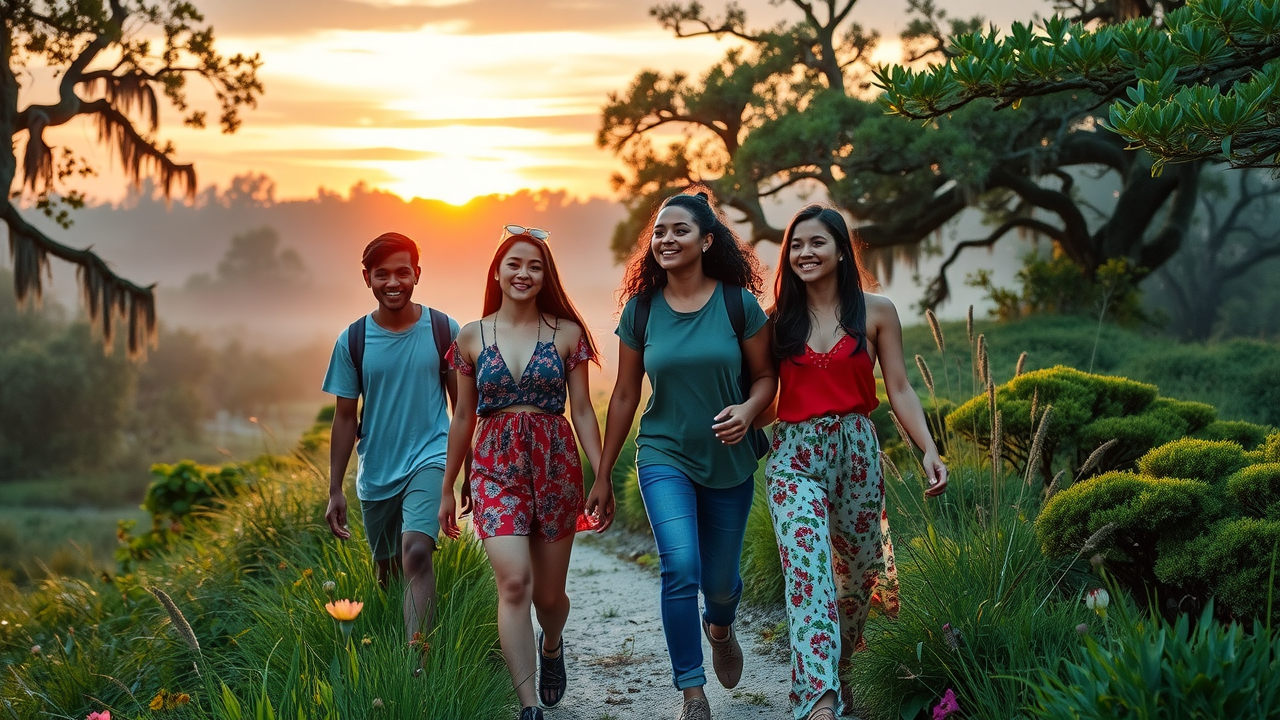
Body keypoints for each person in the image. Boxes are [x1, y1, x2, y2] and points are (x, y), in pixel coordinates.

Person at [595, 187, 776, 720]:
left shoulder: (736, 303)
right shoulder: (642, 310)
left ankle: (720, 630)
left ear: (707, 240)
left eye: (679, 230)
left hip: (729, 462)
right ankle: (692, 693)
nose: (666, 239)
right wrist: (603, 474)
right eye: (659, 231)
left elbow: (766, 378)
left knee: (720, 585)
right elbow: (626, 393)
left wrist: (746, 412)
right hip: (662, 454)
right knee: (681, 565)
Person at [766, 205, 948, 720]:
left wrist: (928, 447)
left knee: (856, 579)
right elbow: (764, 393)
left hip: (858, 455)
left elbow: (900, 388)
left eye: (817, 242)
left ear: (842, 249)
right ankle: (819, 699)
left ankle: (845, 668)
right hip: (794, 456)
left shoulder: (878, 311)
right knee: (809, 572)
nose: (805, 252)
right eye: (796, 244)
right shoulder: (775, 320)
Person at [438, 224, 613, 720]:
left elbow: (581, 410)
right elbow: (463, 416)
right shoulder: (471, 336)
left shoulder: (567, 334)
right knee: (515, 583)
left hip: (555, 464)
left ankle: (551, 644)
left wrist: (601, 475)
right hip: (495, 468)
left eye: (535, 266)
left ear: (546, 275)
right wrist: (449, 485)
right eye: (514, 263)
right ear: (497, 271)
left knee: (550, 596)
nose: (523, 273)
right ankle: (529, 704)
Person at [321, 231, 461, 652]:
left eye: (403, 271)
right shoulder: (353, 340)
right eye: (382, 274)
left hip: (430, 457)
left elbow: (462, 409)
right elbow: (345, 418)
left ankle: (417, 665)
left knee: (416, 553)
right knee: (388, 573)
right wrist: (334, 489)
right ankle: (390, 641)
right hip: (377, 471)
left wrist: (466, 470)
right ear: (367, 278)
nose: (393, 282)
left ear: (417, 273)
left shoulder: (442, 329)